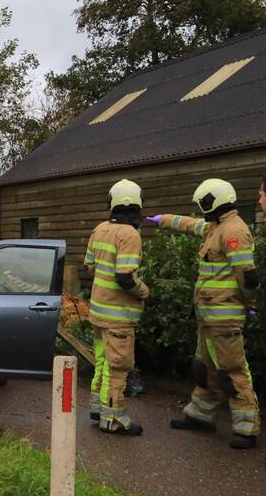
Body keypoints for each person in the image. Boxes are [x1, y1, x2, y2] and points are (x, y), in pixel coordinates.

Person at [150, 178, 260, 449]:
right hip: (208, 315)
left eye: (204, 205)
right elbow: (190, 224)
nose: (201, 210)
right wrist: (160, 219)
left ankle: (247, 428)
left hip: (225, 316)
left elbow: (247, 277)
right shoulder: (216, 226)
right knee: (204, 368)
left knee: (231, 371)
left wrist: (250, 304)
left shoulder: (233, 231)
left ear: (216, 202)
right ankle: (200, 415)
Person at [83, 180, 148, 436]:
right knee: (118, 366)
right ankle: (113, 419)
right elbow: (125, 277)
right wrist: (144, 291)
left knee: (102, 362)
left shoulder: (99, 229)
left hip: (99, 312)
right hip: (119, 316)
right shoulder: (130, 235)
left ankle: (98, 408)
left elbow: (90, 265)